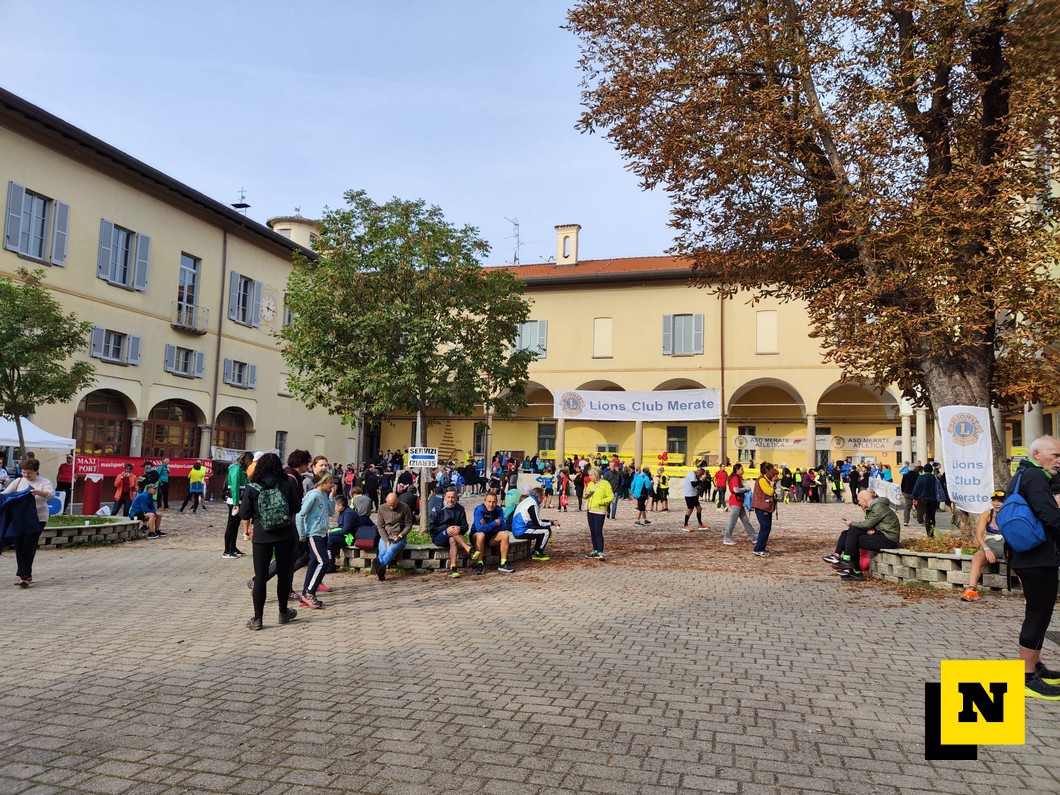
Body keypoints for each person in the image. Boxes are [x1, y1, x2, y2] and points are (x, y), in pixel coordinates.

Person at [1001, 436, 1060, 699]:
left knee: (1038, 613)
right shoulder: (1035, 477)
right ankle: (1026, 676)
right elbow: (1050, 515)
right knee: (1038, 614)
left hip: (1028, 555)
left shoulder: (1023, 474)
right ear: (1037, 454)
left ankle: (1034, 666)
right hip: (1038, 557)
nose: (1059, 461)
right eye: (1055, 455)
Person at [239, 452, 300, 630]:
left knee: (260, 577)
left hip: (262, 537)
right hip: (286, 535)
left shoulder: (252, 488)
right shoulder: (286, 485)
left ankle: (258, 619)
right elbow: (296, 507)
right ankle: (283, 613)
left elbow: (244, 514)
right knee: (284, 575)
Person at [823, 488, 900, 581]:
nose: (859, 503)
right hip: (879, 533)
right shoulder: (872, 507)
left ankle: (851, 566)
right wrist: (872, 528)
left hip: (888, 539)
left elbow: (867, 524)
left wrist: (852, 523)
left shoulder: (878, 507)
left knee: (853, 534)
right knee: (846, 534)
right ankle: (837, 556)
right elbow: (872, 523)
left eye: (859, 501)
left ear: (864, 499)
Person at [1, 457, 55, 587]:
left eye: (29, 473)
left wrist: (38, 492)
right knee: (19, 545)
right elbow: (5, 494)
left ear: (36, 471)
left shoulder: (44, 482)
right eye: (23, 472)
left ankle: (24, 575)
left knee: (29, 545)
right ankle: (25, 575)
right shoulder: (18, 481)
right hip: (20, 519)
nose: (25, 475)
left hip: (38, 518)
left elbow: (51, 495)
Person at [296, 471, 335, 609]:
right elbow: (300, 514)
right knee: (324, 562)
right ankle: (310, 592)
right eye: (330, 482)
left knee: (313, 563)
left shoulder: (323, 495)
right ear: (322, 483)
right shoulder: (313, 495)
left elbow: (331, 512)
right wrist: (302, 533)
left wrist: (331, 497)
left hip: (323, 533)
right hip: (314, 533)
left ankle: (304, 594)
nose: (332, 485)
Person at [960, 490, 1007, 602]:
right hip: (990, 544)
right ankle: (972, 590)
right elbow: (979, 534)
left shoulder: (1011, 513)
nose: (997, 504)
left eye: (1000, 501)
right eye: (994, 501)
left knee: (1019, 563)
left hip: (1007, 544)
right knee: (976, 559)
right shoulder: (987, 514)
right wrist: (986, 549)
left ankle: (1028, 594)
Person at [429, 487, 472, 578]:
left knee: (452, 540)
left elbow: (465, 526)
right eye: (448, 497)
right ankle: (468, 548)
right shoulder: (437, 508)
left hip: (454, 538)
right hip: (438, 537)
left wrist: (459, 528)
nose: (450, 500)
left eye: (453, 497)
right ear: (444, 497)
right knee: (450, 530)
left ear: (456, 497)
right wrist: (446, 529)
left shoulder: (460, 509)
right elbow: (432, 528)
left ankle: (453, 568)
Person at [471, 491, 514, 573]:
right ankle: (479, 563)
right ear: (484, 502)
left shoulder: (499, 510)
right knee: (481, 535)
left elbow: (504, 526)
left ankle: (503, 563)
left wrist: (487, 525)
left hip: (491, 537)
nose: (491, 504)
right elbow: (479, 528)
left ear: (496, 502)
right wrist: (495, 523)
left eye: (494, 502)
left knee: (505, 534)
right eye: (489, 501)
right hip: (477, 537)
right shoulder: (479, 510)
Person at [511, 487, 558, 560]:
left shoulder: (530, 501)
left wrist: (550, 521)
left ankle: (537, 550)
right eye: (542, 496)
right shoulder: (532, 505)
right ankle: (537, 552)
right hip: (521, 531)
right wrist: (552, 523)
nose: (543, 498)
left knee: (545, 529)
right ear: (538, 496)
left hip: (521, 528)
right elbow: (538, 523)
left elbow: (536, 520)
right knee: (546, 532)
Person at [376, 492, 413, 581]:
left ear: (398, 501)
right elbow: (380, 527)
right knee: (383, 551)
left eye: (394, 505)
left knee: (391, 550)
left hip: (399, 536)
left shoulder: (405, 508)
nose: (392, 507)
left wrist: (400, 536)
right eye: (390, 505)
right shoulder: (381, 508)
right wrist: (386, 540)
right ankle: (381, 570)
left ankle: (378, 565)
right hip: (386, 535)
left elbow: (408, 525)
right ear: (386, 501)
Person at [223, 452, 252, 558]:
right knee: (231, 525)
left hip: (239, 500)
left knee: (235, 526)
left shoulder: (240, 468)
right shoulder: (236, 469)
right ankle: (227, 551)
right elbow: (235, 486)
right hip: (234, 501)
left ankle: (233, 548)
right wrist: (235, 503)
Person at [583, 467, 614, 559]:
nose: (589, 477)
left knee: (598, 531)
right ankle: (595, 549)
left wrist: (601, 502)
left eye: (591, 475)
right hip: (590, 510)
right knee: (592, 531)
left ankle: (600, 551)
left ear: (596, 475)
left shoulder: (605, 484)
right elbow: (585, 496)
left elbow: (611, 497)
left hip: (599, 511)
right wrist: (586, 494)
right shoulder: (590, 484)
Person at [722, 463, 755, 545]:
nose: (742, 470)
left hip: (739, 501)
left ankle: (754, 537)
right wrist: (745, 489)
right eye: (741, 469)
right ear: (737, 470)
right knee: (732, 521)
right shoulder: (735, 478)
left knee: (745, 520)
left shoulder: (736, 477)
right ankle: (727, 538)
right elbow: (736, 490)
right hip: (735, 501)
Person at [751, 463, 779, 556]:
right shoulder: (762, 480)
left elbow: (777, 472)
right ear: (767, 471)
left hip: (766, 507)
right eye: (771, 470)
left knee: (767, 527)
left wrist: (773, 479)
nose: (772, 472)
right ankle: (758, 548)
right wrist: (772, 484)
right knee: (765, 527)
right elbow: (769, 492)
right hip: (762, 507)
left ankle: (761, 547)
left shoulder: (766, 479)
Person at [911, 462, 940, 537]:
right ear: (931, 470)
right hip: (934, 499)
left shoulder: (920, 478)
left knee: (927, 515)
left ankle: (928, 533)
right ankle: (932, 532)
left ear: (924, 470)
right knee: (932, 516)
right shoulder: (934, 478)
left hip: (923, 499)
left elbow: (916, 487)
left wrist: (914, 497)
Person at [681, 467, 710, 532]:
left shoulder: (695, 475)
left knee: (699, 508)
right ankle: (685, 525)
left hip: (693, 495)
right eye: (701, 474)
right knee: (690, 509)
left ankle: (700, 524)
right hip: (689, 495)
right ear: (698, 471)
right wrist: (701, 480)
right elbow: (693, 484)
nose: (700, 476)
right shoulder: (692, 474)